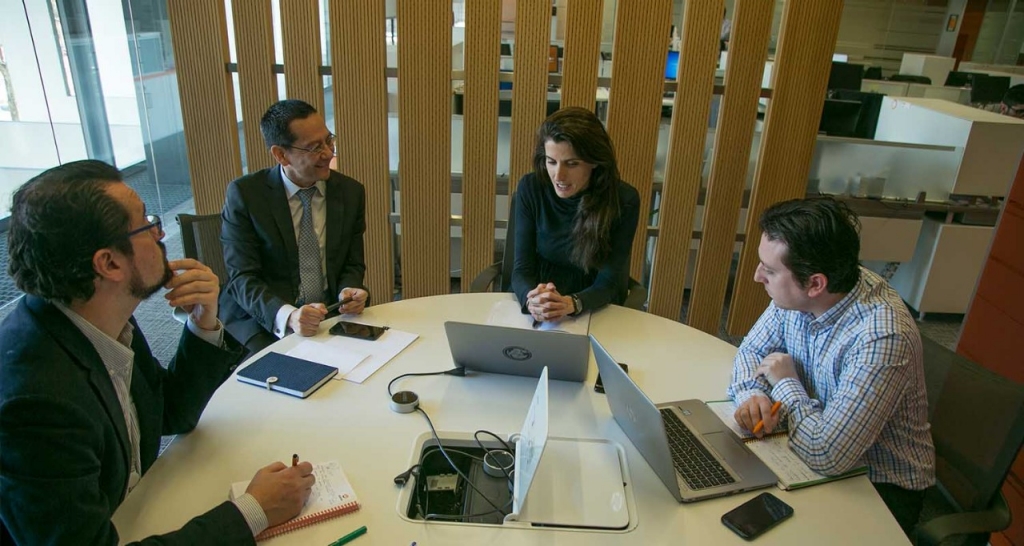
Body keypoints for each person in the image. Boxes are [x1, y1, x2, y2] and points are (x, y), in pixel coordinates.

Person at [0, 160, 315, 544]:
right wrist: (253, 511)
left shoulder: (100, 318)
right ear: (109, 263)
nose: (161, 232)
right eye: (148, 225)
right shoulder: (35, 400)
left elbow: (171, 412)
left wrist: (203, 321)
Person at [727, 197, 935, 536]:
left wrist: (784, 383)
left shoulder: (882, 336)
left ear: (815, 284)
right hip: (814, 444)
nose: (756, 276)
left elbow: (828, 454)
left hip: (878, 488)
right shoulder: (800, 292)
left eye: (770, 270)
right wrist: (752, 396)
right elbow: (750, 351)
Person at [220, 99, 369, 353]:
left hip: (328, 314)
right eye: (314, 147)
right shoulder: (246, 195)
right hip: (266, 320)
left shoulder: (350, 192)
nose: (329, 153)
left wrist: (348, 291)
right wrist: (288, 316)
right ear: (280, 154)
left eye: (329, 140)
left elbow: (352, 263)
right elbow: (242, 278)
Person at [512, 106, 640, 323]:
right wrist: (531, 299)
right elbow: (521, 269)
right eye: (551, 162)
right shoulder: (531, 188)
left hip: (594, 305)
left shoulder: (624, 200)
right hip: (540, 302)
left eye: (572, 164)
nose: (558, 175)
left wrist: (571, 303)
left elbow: (609, 282)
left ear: (594, 162)